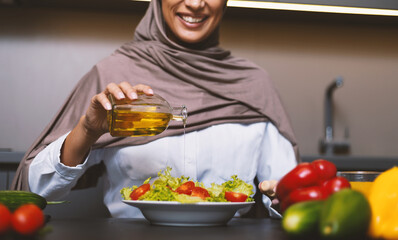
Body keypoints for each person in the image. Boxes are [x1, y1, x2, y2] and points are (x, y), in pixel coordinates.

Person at [12, 0, 298, 218]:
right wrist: (86, 131)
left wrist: (284, 197)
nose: (196, 4)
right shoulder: (113, 75)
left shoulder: (254, 83)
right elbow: (36, 191)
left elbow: (291, 196)